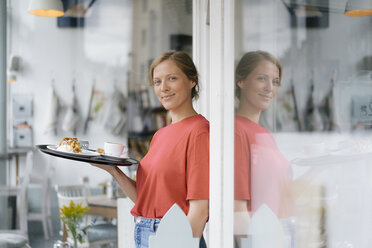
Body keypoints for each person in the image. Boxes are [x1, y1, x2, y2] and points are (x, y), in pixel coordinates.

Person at [91, 50, 209, 248]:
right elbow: (144, 198)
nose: (163, 88)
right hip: (145, 232)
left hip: (174, 238)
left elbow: (200, 211)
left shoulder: (199, 131)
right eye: (157, 82)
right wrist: (112, 169)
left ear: (192, 81)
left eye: (172, 78)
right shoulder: (160, 135)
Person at [233, 51, 294, 247]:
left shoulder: (264, 134)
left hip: (279, 233)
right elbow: (238, 209)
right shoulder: (236, 131)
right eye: (262, 79)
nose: (269, 88)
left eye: (275, 82)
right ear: (240, 81)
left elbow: (279, 191)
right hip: (259, 237)